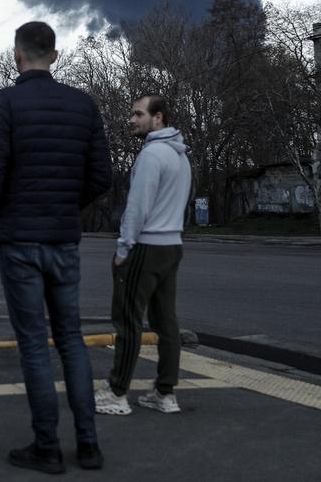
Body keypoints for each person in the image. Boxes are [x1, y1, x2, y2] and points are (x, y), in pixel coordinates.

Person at [0, 21, 112, 474]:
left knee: (34, 343)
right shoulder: (82, 106)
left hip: (19, 241)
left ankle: (47, 447)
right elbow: (100, 177)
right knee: (71, 339)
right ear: (54, 55)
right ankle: (88, 445)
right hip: (62, 239)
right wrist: (64, 206)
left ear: (17, 55)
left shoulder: (5, 104)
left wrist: (9, 211)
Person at [94, 95, 192, 417]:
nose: (132, 120)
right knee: (166, 323)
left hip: (146, 248)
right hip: (172, 246)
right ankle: (165, 394)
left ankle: (117, 393)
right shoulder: (181, 156)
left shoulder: (152, 155)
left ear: (158, 118)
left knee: (128, 322)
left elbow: (138, 207)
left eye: (138, 114)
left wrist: (123, 248)